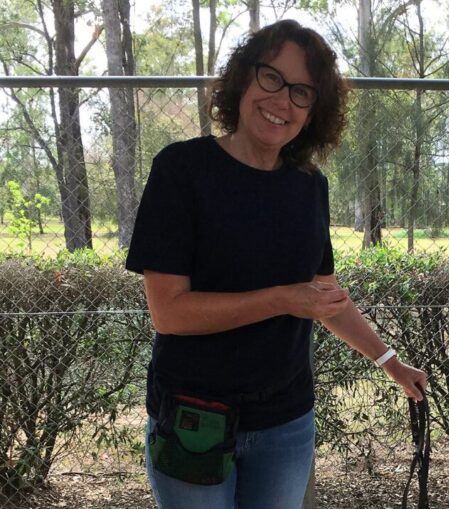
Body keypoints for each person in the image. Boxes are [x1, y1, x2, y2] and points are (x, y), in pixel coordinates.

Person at [125, 19, 427, 509]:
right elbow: (169, 313)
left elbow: (324, 297)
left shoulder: (309, 186)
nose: (282, 101)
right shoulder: (182, 170)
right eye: (272, 78)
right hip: (194, 416)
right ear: (244, 78)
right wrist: (283, 299)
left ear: (313, 111)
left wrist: (390, 362)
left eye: (301, 92)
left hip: (286, 422)